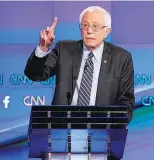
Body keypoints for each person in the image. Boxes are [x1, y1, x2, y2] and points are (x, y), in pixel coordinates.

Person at [24, 6, 134, 160]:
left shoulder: (121, 58)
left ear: (107, 31)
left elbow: (126, 104)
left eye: (95, 26)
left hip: (99, 139)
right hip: (60, 138)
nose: (89, 31)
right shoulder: (64, 50)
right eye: (85, 25)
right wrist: (43, 48)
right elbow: (34, 74)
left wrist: (106, 130)